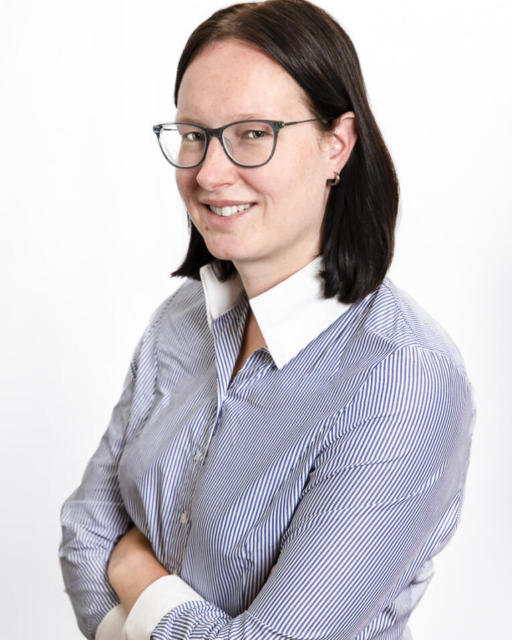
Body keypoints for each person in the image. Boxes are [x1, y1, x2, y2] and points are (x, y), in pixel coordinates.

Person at [58, 1, 477, 639]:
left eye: (253, 133)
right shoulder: (181, 321)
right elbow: (85, 535)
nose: (209, 173)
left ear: (337, 144)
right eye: (194, 134)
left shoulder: (404, 381)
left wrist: (137, 570)